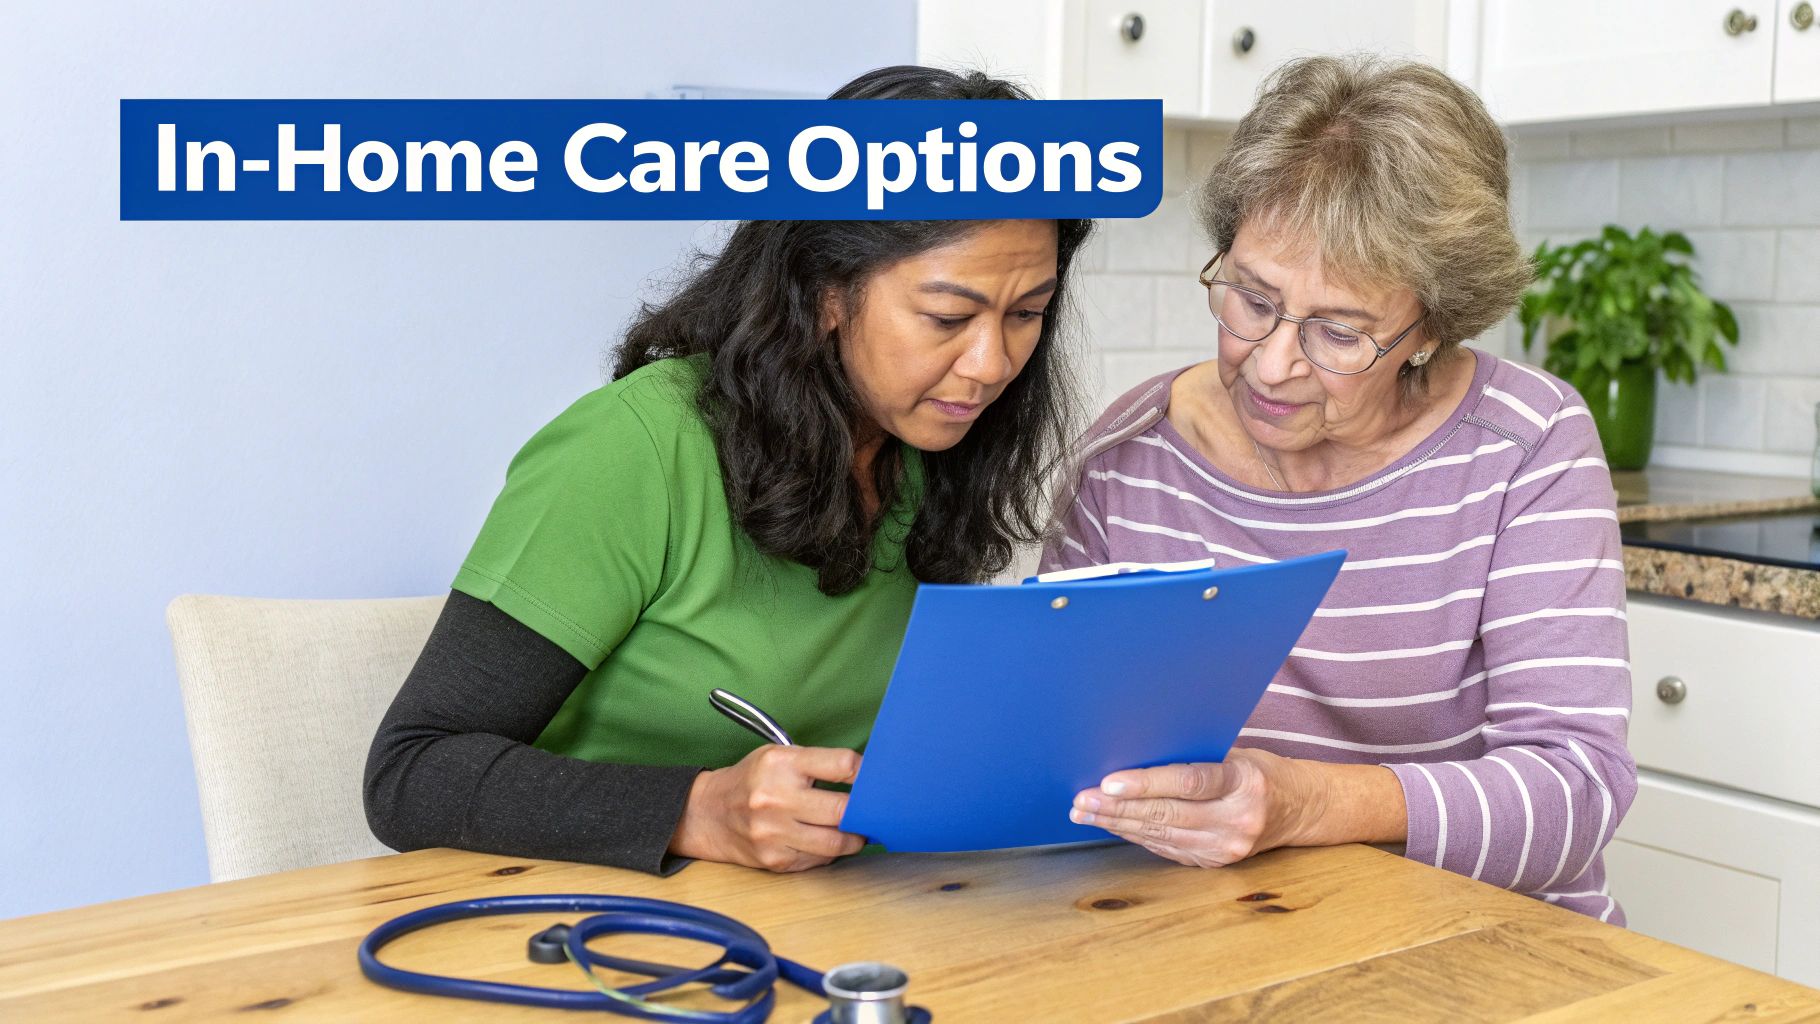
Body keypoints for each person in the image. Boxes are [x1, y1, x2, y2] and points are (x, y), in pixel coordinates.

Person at [365, 64, 1094, 875]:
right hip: (583, 924)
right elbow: (410, 775)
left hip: (823, 921)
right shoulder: (637, 447)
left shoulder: (932, 447)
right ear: (826, 291)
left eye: (1027, 314)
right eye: (947, 317)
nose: (993, 364)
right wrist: (694, 809)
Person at [1044, 55, 1636, 922]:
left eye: (1337, 331)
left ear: (1430, 327)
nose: (1274, 364)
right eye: (1251, 299)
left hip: (1484, 943)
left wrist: (1302, 804)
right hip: (1222, 941)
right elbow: (1059, 751)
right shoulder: (1130, 455)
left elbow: (1575, 790)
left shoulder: (1526, 444)